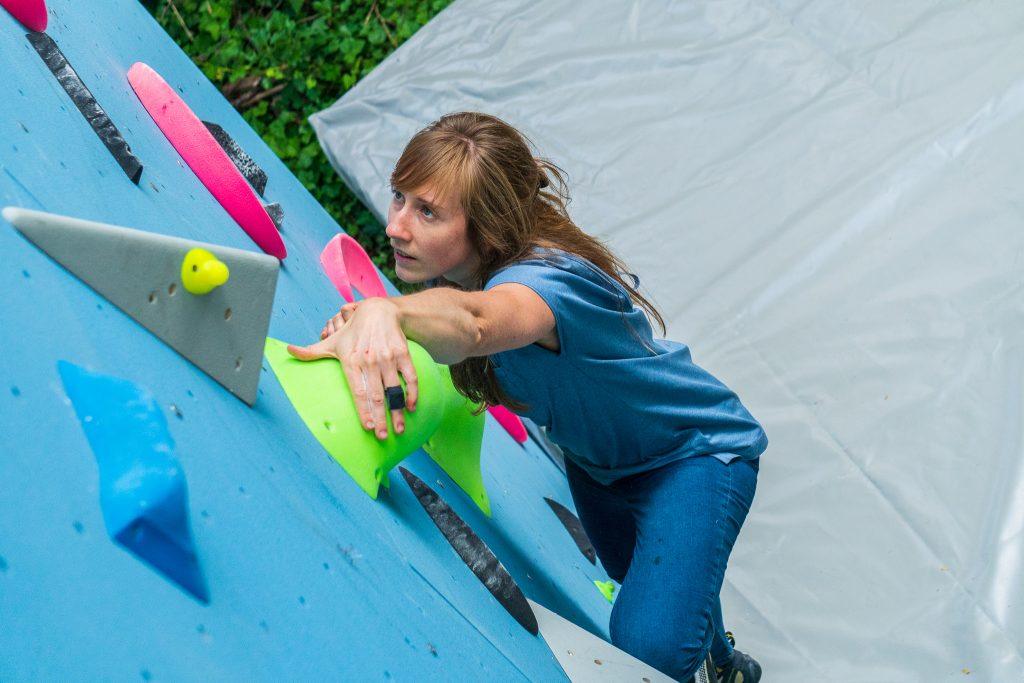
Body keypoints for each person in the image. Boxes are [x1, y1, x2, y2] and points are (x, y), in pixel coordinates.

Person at [288, 112, 766, 683]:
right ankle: (725, 665)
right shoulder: (461, 273)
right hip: (600, 465)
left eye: (428, 212)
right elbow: (450, 324)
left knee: (650, 650)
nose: (396, 226)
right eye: (399, 197)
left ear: (486, 224)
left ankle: (719, 667)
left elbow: (477, 323)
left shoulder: (546, 282)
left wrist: (386, 310)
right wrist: (374, 326)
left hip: (695, 455)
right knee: (650, 582)